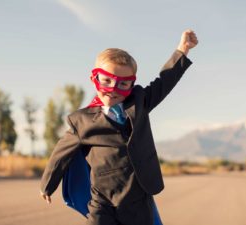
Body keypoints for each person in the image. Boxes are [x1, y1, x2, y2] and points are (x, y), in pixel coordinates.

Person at [40, 29, 198, 225]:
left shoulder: (139, 102)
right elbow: (61, 154)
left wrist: (182, 50)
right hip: (102, 201)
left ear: (132, 84)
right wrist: (48, 185)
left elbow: (164, 82)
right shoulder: (81, 121)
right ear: (95, 79)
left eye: (123, 84)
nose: (113, 89)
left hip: (138, 197)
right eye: (107, 80)